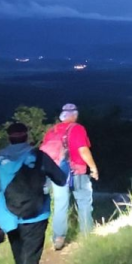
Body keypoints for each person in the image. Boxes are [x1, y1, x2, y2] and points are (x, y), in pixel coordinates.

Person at [0, 121, 67, 264]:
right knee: (31, 256)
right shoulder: (38, 156)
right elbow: (61, 180)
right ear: (27, 136)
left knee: (20, 255)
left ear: (9, 138)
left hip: (9, 218)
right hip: (37, 214)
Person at [40, 103, 99, 250]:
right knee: (84, 201)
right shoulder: (77, 128)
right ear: (75, 115)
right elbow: (83, 150)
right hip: (76, 170)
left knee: (60, 204)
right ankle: (86, 236)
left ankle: (58, 238)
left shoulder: (52, 130)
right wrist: (93, 168)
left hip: (56, 172)